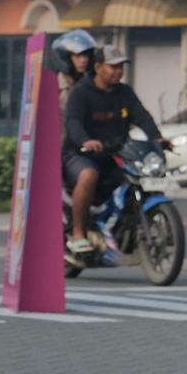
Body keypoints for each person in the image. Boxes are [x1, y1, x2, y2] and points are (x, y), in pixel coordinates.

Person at [62, 45, 172, 267]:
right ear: (98, 67)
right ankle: (77, 234)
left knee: (136, 180)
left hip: (115, 155)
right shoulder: (81, 93)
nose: (118, 71)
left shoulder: (125, 93)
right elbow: (73, 122)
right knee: (89, 175)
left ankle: (125, 231)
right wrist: (85, 141)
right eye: (113, 67)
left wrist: (157, 138)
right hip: (80, 154)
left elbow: (142, 116)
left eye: (121, 66)